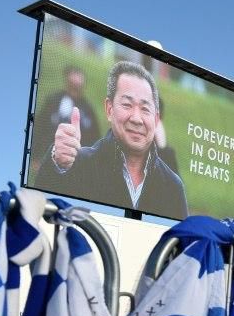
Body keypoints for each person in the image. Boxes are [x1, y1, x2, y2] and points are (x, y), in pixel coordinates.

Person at [34, 61, 188, 220]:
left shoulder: (173, 186)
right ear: (109, 109)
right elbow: (38, 211)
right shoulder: (77, 165)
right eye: (127, 104)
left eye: (145, 108)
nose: (136, 118)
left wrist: (163, 148)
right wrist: (58, 161)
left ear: (156, 120)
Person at [31, 66, 102, 161]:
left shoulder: (88, 109)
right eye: (73, 74)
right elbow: (40, 127)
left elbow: (95, 138)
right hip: (49, 157)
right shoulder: (53, 100)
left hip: (77, 162)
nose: (76, 80)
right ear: (67, 80)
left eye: (78, 74)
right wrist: (36, 157)